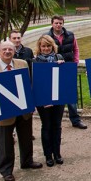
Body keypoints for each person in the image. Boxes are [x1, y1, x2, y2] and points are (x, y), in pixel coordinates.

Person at [0, 41, 42, 181]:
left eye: (10, 49)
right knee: (5, 142)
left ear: (14, 51)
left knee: (25, 137)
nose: (7, 51)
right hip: (4, 111)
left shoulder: (22, 64)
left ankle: (27, 161)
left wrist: (32, 102)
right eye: (4, 49)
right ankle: (6, 170)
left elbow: (28, 83)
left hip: (23, 109)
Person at [45, 15, 87, 129]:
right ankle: (55, 122)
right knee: (55, 95)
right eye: (56, 23)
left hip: (68, 68)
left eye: (60, 23)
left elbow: (76, 49)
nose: (58, 25)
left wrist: (76, 62)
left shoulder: (70, 35)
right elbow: (44, 51)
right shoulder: (47, 37)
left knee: (71, 95)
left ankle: (75, 120)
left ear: (63, 23)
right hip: (54, 69)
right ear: (52, 24)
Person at [32, 35, 66, 167]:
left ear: (53, 46)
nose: (46, 49)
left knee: (57, 126)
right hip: (43, 100)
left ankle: (57, 153)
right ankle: (48, 155)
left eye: (48, 46)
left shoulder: (59, 58)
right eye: (43, 46)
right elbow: (35, 83)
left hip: (58, 98)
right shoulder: (35, 62)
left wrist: (61, 67)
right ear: (39, 47)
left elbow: (64, 79)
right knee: (46, 126)